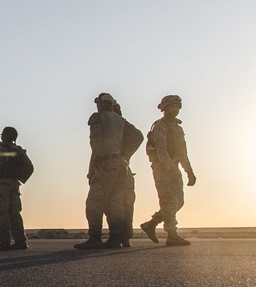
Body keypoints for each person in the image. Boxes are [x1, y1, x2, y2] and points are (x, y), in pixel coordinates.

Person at [75, 93, 131, 250]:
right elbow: (136, 136)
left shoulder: (97, 117)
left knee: (94, 202)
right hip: (121, 164)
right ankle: (115, 238)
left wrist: (98, 161)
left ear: (100, 104)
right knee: (115, 203)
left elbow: (95, 142)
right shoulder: (121, 120)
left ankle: (95, 237)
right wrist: (124, 154)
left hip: (106, 164)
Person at [140, 95, 196, 246]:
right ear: (165, 108)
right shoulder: (160, 126)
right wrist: (170, 170)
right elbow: (161, 151)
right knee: (169, 201)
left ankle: (151, 224)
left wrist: (189, 172)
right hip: (162, 168)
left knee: (179, 202)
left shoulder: (177, 128)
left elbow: (182, 153)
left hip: (174, 167)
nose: (175, 109)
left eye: (177, 106)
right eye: (172, 106)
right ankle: (171, 234)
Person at [0, 126, 34, 251]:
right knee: (14, 213)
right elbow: (30, 167)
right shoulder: (19, 151)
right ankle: (20, 240)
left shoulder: (3, 150)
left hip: (1, 184)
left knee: (0, 212)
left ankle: (4, 241)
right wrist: (19, 178)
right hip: (14, 184)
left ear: (5, 136)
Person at [113, 103, 145, 247]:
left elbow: (138, 136)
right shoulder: (109, 129)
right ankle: (120, 237)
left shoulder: (121, 125)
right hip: (113, 169)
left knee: (122, 203)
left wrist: (124, 155)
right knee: (119, 204)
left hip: (120, 170)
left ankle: (122, 237)